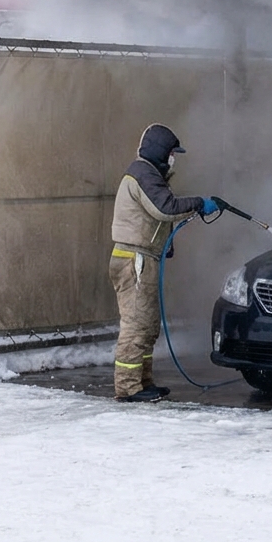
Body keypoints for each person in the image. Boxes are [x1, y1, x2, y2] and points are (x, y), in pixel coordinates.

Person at [109, 123, 218, 402]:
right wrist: (197, 203)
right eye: (172, 153)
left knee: (148, 324)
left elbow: (153, 216)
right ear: (160, 152)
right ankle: (128, 387)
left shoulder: (147, 173)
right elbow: (164, 208)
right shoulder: (143, 173)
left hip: (144, 257)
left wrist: (163, 245)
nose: (174, 159)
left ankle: (143, 382)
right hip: (135, 260)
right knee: (136, 324)